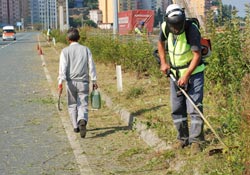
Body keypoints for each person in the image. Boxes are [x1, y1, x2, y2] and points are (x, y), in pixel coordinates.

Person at [157, 4, 205, 154]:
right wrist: (164, 62)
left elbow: (197, 55)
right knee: (177, 108)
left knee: (194, 107)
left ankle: (197, 141)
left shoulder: (191, 29)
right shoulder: (165, 26)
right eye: (174, 25)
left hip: (193, 73)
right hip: (175, 74)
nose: (176, 28)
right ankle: (182, 139)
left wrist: (186, 75)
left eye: (179, 24)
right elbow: (160, 42)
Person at [58, 27, 98, 138]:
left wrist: (60, 82)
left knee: (72, 104)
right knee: (83, 103)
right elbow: (91, 66)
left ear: (67, 39)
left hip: (70, 82)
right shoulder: (86, 50)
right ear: (79, 38)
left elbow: (63, 68)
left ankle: (75, 126)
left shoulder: (65, 51)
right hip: (84, 81)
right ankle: (82, 119)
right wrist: (94, 80)